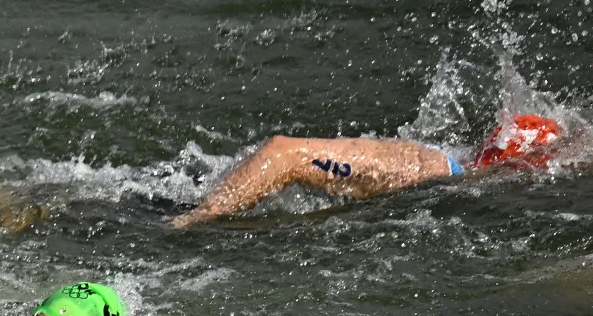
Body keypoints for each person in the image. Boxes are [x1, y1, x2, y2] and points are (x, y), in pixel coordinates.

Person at [172, 113, 565, 227]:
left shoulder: (440, 171)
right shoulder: (424, 168)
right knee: (287, 154)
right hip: (195, 211)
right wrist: (195, 221)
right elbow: (284, 154)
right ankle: (192, 216)